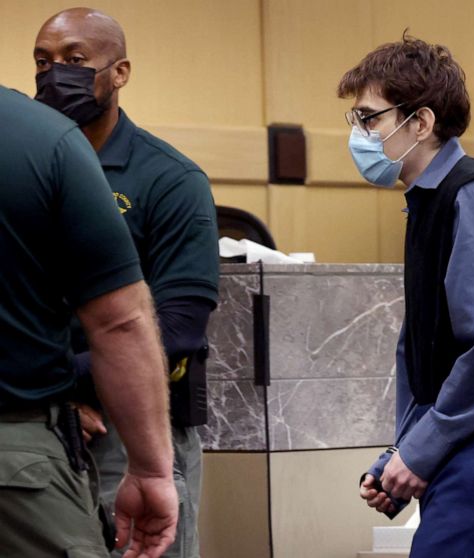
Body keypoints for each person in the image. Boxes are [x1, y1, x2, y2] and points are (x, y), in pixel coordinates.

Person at [339, 35, 474, 557]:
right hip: (467, 443)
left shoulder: (472, 196)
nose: (359, 134)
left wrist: (421, 450)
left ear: (420, 123)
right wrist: (401, 455)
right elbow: (428, 352)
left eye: (370, 118)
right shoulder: (429, 202)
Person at [33, 9, 219, 557]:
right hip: (43, 426)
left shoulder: (169, 178)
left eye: (74, 60)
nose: (53, 75)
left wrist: (63, 383)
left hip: (130, 428)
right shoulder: (27, 165)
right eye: (43, 62)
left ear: (120, 72)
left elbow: (178, 329)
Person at [0, 84, 178, 557]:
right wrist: (151, 470)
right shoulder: (43, 138)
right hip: (14, 465)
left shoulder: (169, 176)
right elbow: (120, 322)